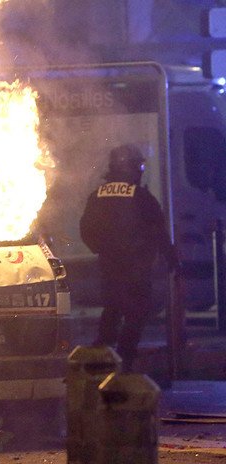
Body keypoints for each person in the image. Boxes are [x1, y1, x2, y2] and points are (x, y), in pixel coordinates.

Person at [79, 144, 177, 371]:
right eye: (140, 165)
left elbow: (86, 230)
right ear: (132, 167)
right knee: (135, 317)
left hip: (109, 268)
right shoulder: (141, 197)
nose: (141, 170)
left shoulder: (97, 196)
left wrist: (103, 250)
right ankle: (123, 365)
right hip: (136, 270)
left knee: (111, 313)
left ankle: (99, 365)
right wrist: (172, 261)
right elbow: (159, 232)